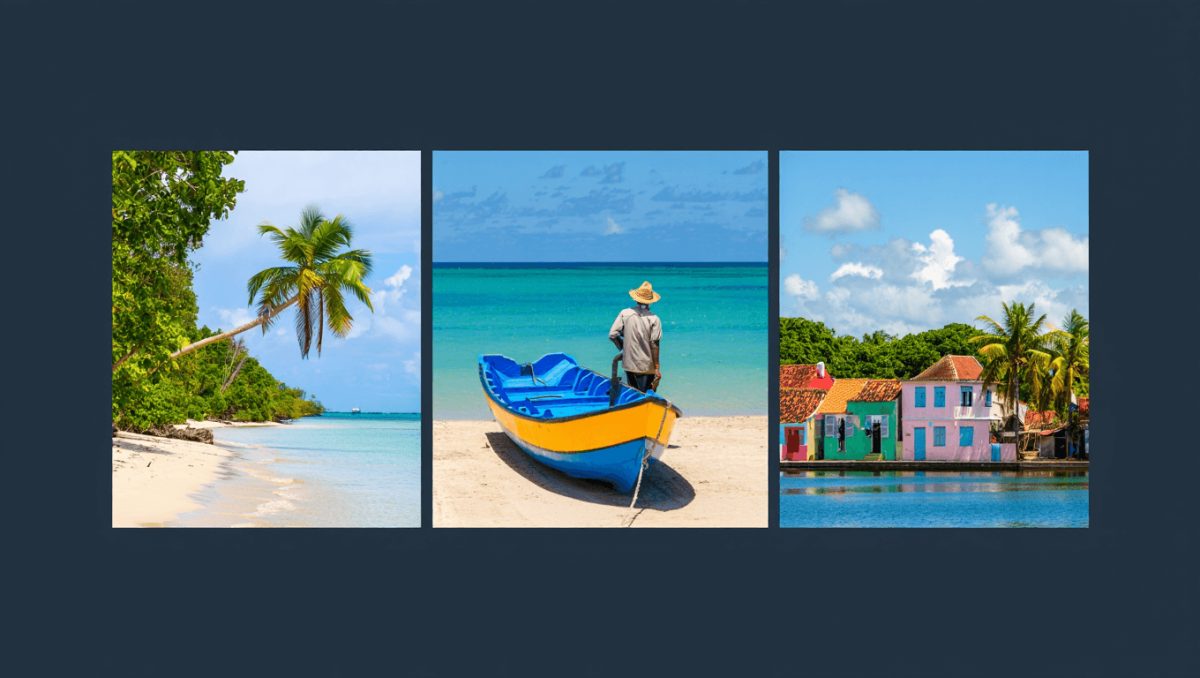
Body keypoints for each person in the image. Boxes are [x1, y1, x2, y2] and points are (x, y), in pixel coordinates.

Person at [608, 281, 662, 393]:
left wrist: (623, 348)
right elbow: (654, 344)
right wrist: (656, 368)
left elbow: (613, 334)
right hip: (646, 366)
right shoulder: (654, 319)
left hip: (628, 364)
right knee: (645, 394)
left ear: (636, 299)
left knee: (633, 392)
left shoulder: (625, 313)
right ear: (650, 302)